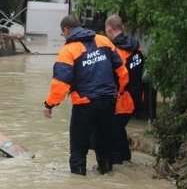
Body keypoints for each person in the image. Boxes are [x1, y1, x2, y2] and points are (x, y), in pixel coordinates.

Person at [42, 15, 128, 175]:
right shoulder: (104, 41)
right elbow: (122, 71)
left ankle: (78, 182)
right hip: (108, 102)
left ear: (66, 30)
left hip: (84, 106)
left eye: (62, 33)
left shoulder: (68, 51)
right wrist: (118, 91)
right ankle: (107, 176)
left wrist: (49, 105)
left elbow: (60, 85)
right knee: (104, 147)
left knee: (78, 150)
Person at [104, 14, 145, 165]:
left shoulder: (118, 51)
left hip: (124, 98)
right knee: (119, 127)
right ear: (123, 28)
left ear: (109, 29)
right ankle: (126, 157)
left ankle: (117, 165)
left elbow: (122, 77)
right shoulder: (136, 46)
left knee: (112, 132)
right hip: (137, 95)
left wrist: (115, 93)